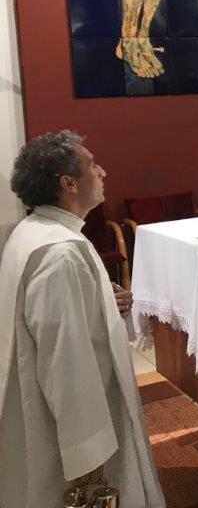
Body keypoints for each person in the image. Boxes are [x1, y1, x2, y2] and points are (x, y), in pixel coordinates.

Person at [0, 131, 165, 508]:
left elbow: (52, 319)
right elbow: (66, 362)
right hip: (69, 431)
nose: (102, 172)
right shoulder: (60, 254)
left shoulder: (38, 233)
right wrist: (89, 460)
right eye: (93, 165)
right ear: (68, 183)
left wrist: (103, 297)